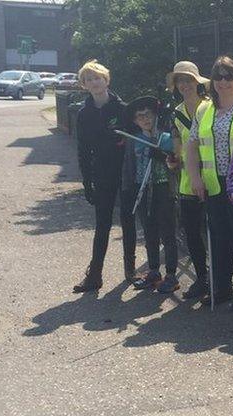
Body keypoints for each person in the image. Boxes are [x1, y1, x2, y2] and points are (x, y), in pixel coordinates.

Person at [186, 56, 233, 307]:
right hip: (213, 182)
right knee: (219, 236)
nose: (224, 82)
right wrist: (195, 178)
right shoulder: (204, 109)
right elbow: (191, 146)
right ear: (212, 81)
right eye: (218, 77)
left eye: (229, 76)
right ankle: (222, 287)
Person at [73, 59, 136, 293]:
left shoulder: (123, 109)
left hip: (125, 172)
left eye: (97, 77)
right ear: (84, 85)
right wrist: (86, 181)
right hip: (101, 174)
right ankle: (95, 275)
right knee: (103, 224)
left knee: (129, 220)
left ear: (106, 80)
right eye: (89, 79)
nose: (94, 82)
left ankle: (130, 271)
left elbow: (135, 139)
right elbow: (82, 149)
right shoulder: (84, 113)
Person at [121, 97, 180, 293]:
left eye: (147, 115)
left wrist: (164, 157)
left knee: (168, 231)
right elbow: (129, 166)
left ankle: (171, 274)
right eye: (139, 117)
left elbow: (175, 163)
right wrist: (129, 188)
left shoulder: (166, 138)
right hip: (142, 189)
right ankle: (154, 271)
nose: (144, 119)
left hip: (163, 188)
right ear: (135, 121)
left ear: (155, 115)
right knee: (149, 231)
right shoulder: (134, 141)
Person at [166, 61, 211, 300]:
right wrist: (172, 161)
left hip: (213, 179)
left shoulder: (211, 108)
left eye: (188, 80)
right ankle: (201, 278)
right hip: (188, 181)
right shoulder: (176, 113)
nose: (184, 85)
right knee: (192, 233)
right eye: (179, 81)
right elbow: (177, 149)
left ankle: (219, 278)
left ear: (197, 82)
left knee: (217, 233)